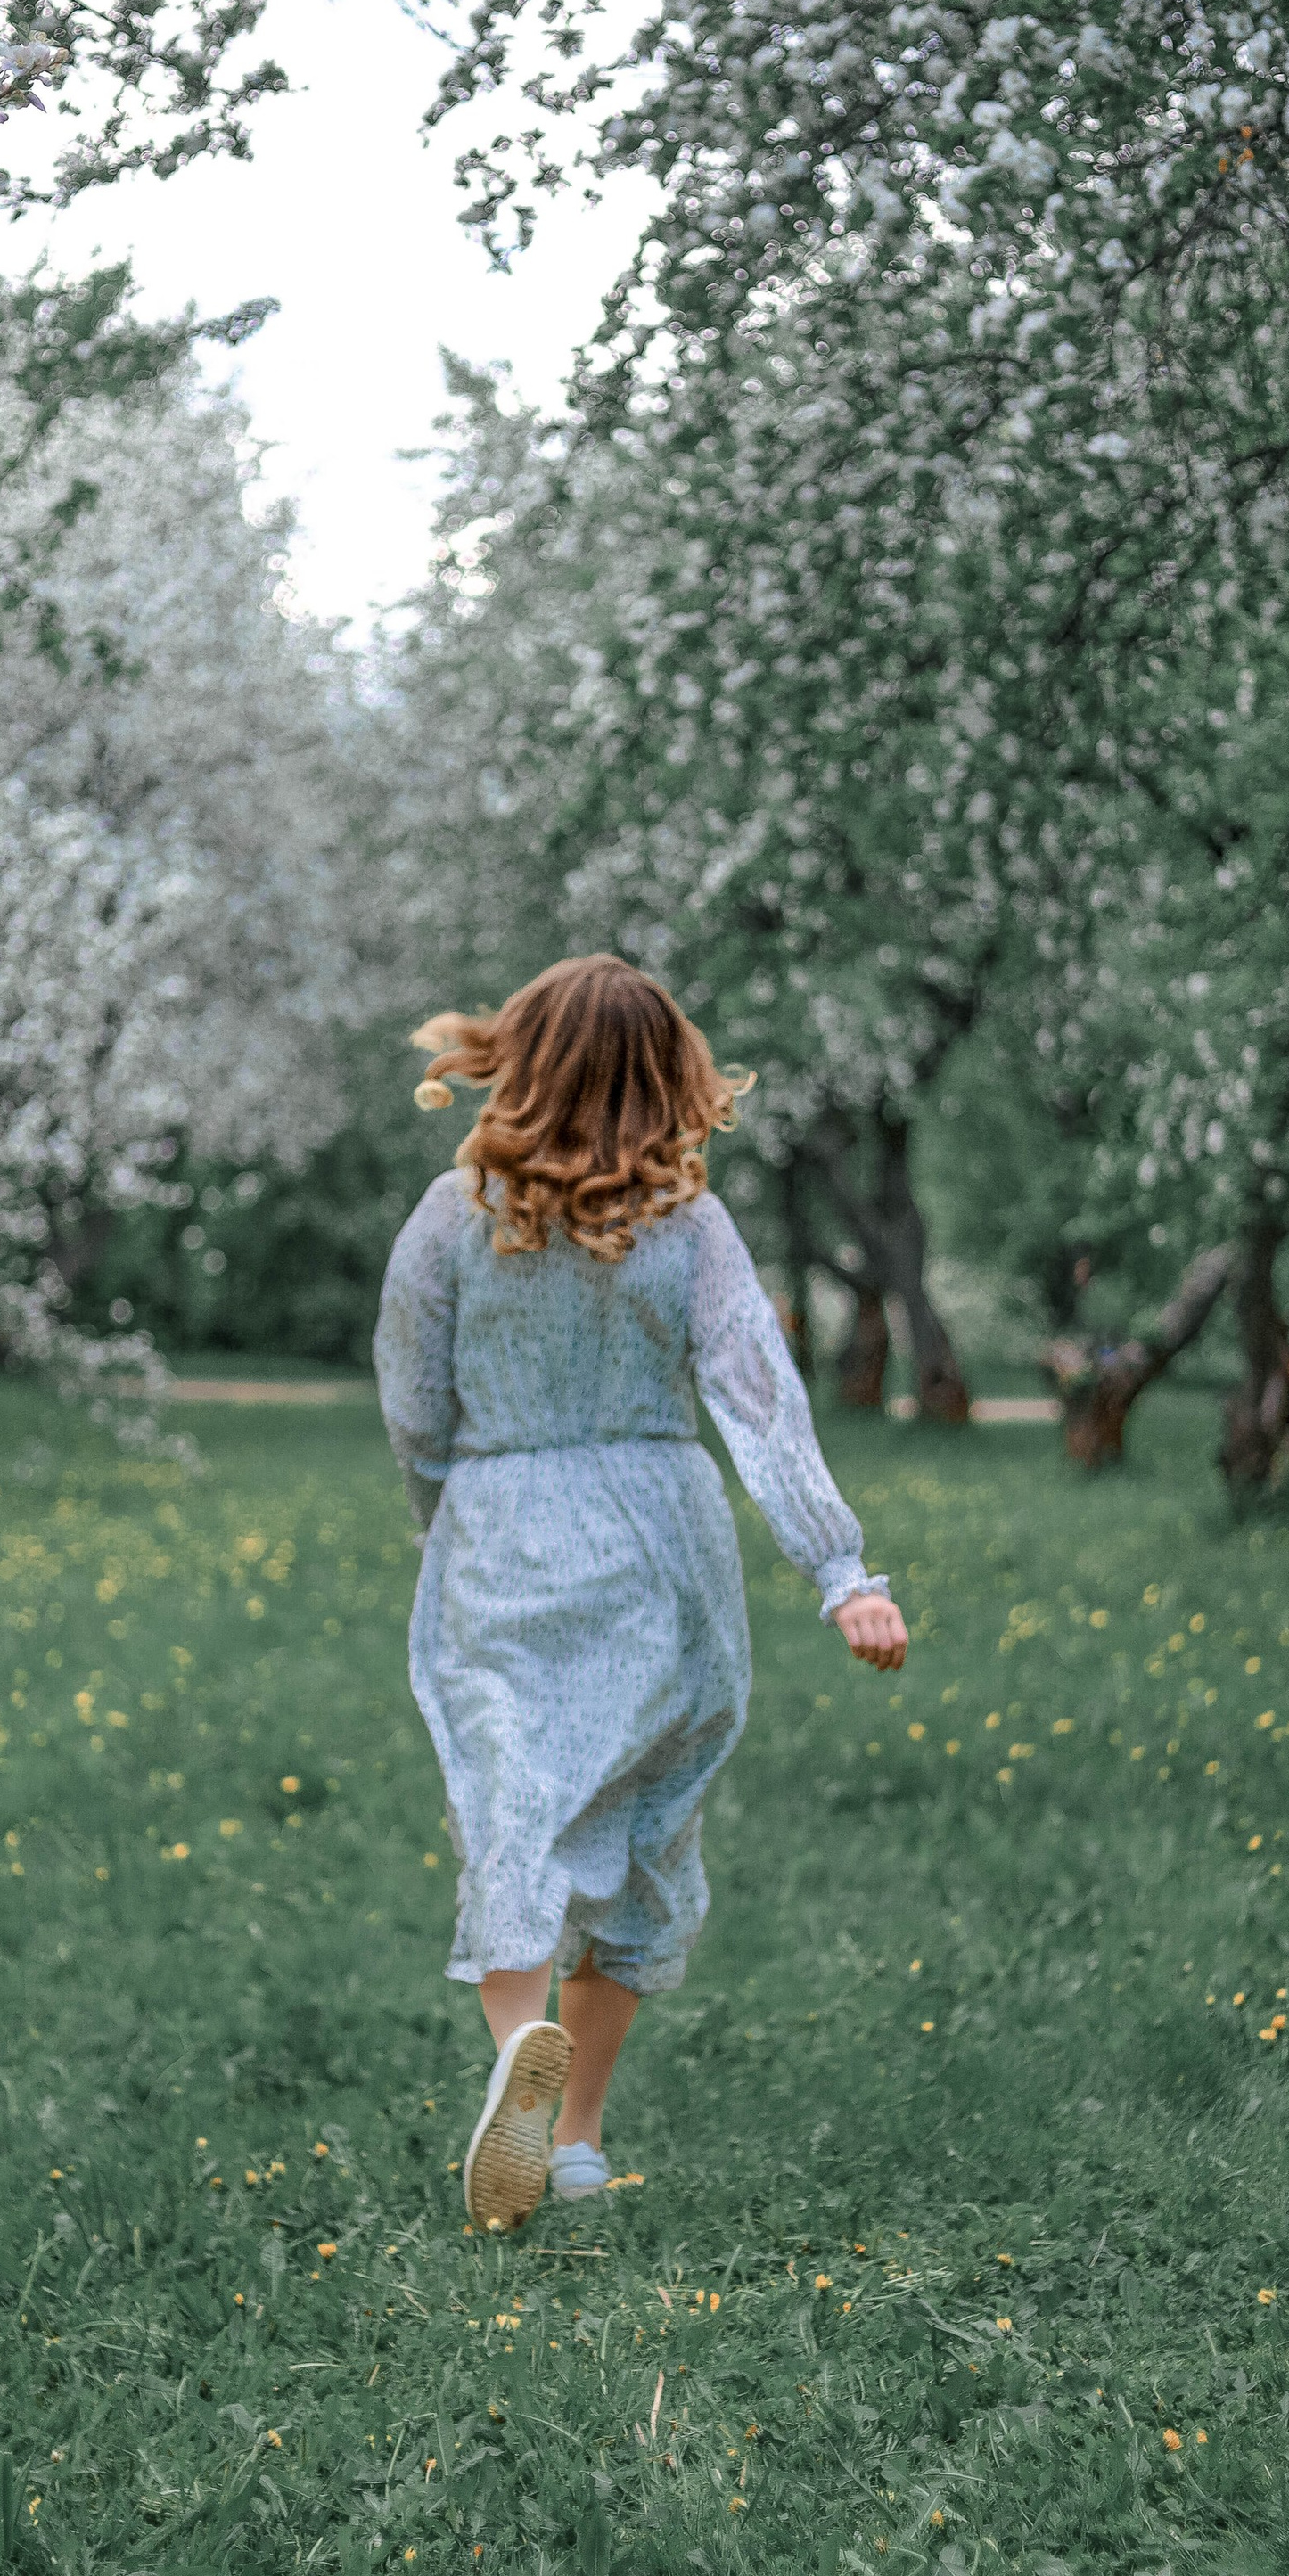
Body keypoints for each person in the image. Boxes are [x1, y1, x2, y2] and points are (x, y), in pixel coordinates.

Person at [374, 954, 908, 2235]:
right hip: (666, 1548)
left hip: (505, 1530)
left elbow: (413, 1402)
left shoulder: (452, 1215)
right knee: (648, 1836)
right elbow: (759, 1402)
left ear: (520, 1056)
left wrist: (444, 1517)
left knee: (515, 1806)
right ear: (671, 1072)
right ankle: (576, 2137)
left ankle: (517, 2038)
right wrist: (841, 1572)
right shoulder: (692, 1225)